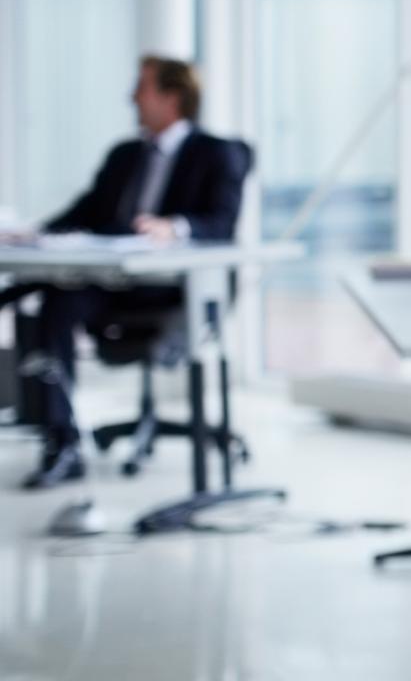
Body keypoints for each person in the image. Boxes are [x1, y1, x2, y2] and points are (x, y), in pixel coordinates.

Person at [11, 57, 249, 489]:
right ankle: (62, 443)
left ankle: (206, 485)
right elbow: (85, 211)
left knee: (49, 298)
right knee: (53, 304)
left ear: (171, 97)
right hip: (113, 283)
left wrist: (174, 226)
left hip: (171, 292)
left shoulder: (218, 153)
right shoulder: (125, 155)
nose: (131, 98)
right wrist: (35, 235)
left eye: (141, 88)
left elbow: (223, 223)